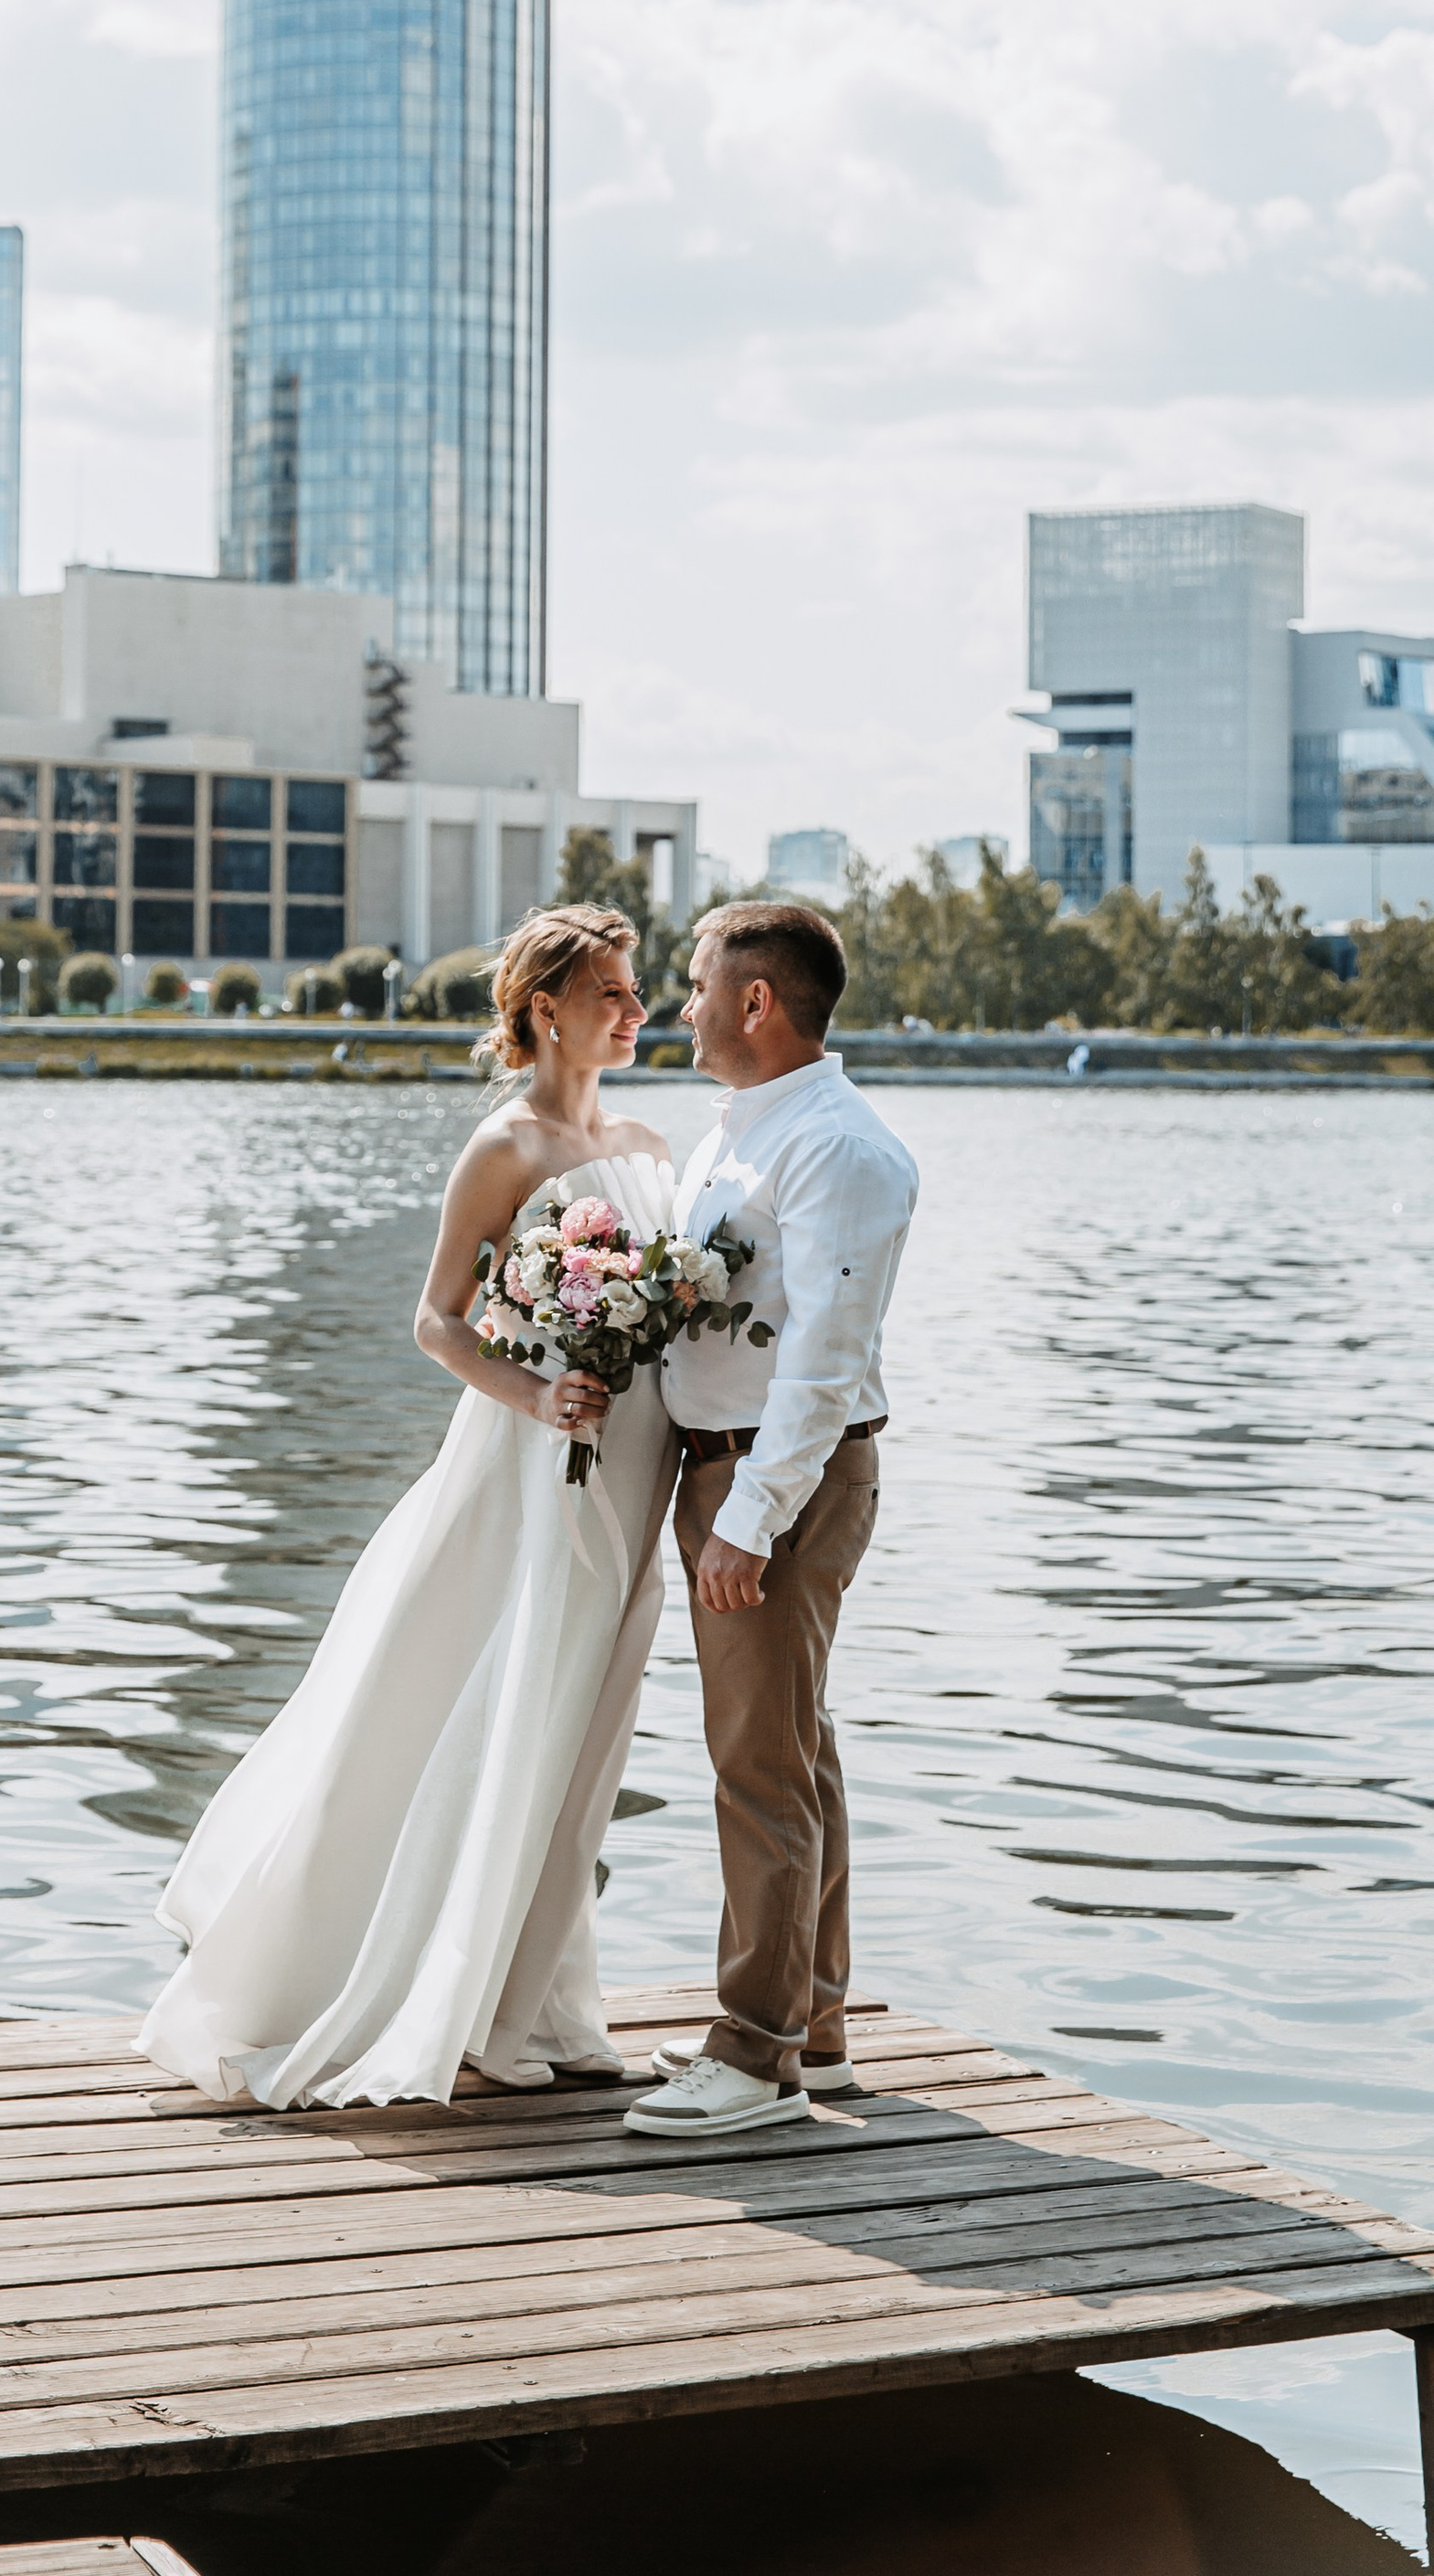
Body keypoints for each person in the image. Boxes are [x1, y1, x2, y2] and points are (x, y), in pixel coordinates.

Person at [139, 903, 683, 2107]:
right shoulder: (505, 1147)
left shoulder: (648, 1143)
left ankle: (537, 1996)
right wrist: (538, 1391)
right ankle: (459, 2000)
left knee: (590, 1728)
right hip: (537, 1469)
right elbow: (437, 1319)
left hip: (639, 1475)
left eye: (638, 991)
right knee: (509, 1710)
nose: (638, 1012)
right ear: (547, 1008)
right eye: (612, 992)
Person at [623, 899, 919, 2144]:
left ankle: (754, 2057)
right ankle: (816, 2023)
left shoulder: (839, 1148)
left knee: (757, 1764)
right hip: (726, 1469)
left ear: (758, 1001)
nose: (683, 1007)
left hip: (776, 1481)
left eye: (696, 984)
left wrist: (748, 1518)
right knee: (794, 1744)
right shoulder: (738, 1136)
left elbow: (824, 1357)